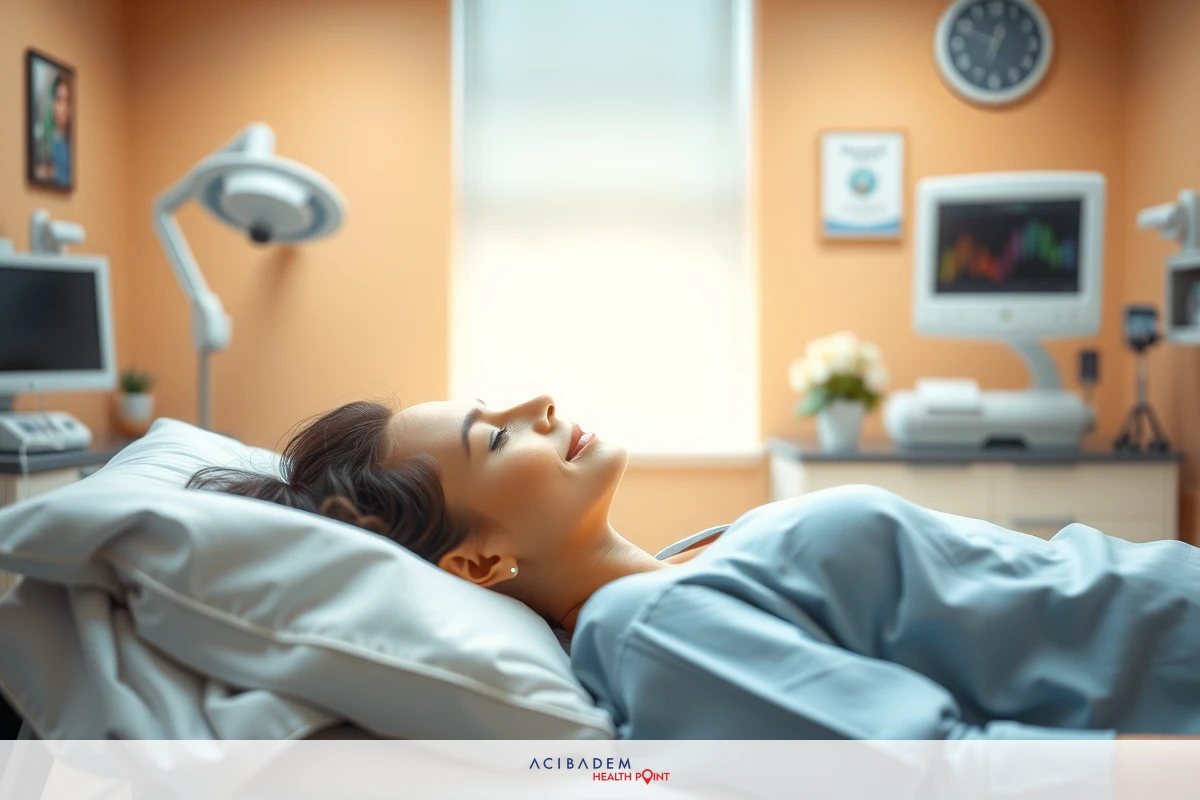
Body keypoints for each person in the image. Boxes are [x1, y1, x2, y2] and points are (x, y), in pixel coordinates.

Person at [188, 396, 1200, 740]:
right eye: (494, 439)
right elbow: (942, 769)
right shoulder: (650, 631)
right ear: (481, 558)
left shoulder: (677, 564)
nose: (539, 403)